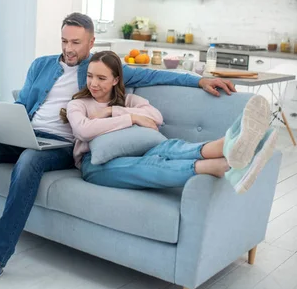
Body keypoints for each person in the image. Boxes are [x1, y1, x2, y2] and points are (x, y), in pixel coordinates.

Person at [0, 13, 236, 289]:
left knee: (30, 161)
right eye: (64, 41)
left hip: (59, 146)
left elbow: (154, 74)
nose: (68, 48)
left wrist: (199, 80)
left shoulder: (98, 69)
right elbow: (25, 105)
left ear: (91, 43)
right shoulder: (41, 65)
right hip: (25, 132)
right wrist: (8, 122)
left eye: (76, 42)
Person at [65, 51, 277, 194]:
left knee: (168, 147)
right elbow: (84, 130)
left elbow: (156, 117)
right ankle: (225, 162)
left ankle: (230, 146)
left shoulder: (128, 101)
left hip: (136, 149)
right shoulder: (79, 104)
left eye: (101, 78)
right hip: (95, 165)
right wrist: (131, 118)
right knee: (148, 165)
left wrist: (113, 111)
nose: (93, 83)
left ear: (115, 80)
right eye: (90, 76)